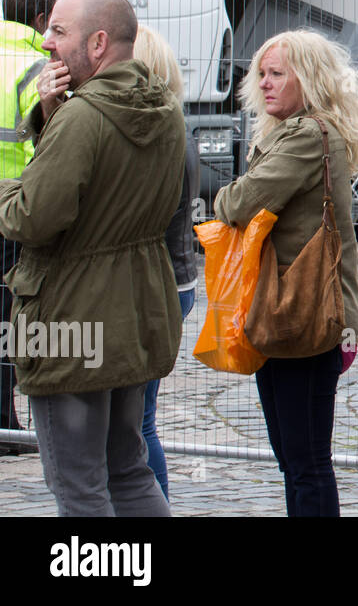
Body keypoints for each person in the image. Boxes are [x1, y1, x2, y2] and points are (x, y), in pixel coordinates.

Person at [0, 0, 184, 516]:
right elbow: (106, 190)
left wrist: (8, 186)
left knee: (78, 484)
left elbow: (31, 217)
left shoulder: (87, 117)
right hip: (133, 311)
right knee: (128, 469)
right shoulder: (163, 110)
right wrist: (53, 112)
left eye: (59, 32)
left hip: (73, 320)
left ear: (98, 43)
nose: (46, 44)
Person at [213, 30, 358, 517]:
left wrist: (225, 197)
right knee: (295, 458)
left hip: (305, 315)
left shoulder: (306, 135)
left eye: (277, 73)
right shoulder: (296, 132)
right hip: (286, 313)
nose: (264, 84)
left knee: (305, 462)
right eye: (260, 73)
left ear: (310, 79)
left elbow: (237, 203)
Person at [133, 25, 200, 498]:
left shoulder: (159, 136)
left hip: (154, 287)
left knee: (136, 422)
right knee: (139, 418)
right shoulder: (177, 127)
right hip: (174, 281)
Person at [0, 0, 56, 456]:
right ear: (41, 20)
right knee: (11, 317)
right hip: (13, 212)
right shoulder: (38, 67)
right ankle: (6, 422)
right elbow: (49, 144)